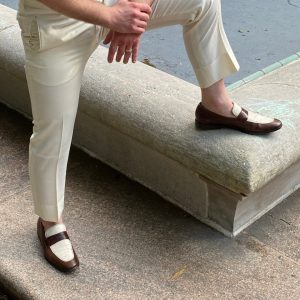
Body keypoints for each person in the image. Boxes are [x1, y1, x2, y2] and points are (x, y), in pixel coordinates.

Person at [17, 0, 282, 272]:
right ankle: (50, 220)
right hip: (56, 25)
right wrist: (109, 16)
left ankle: (216, 105)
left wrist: (135, 13)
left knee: (202, 2)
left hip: (113, 4)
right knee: (53, 128)